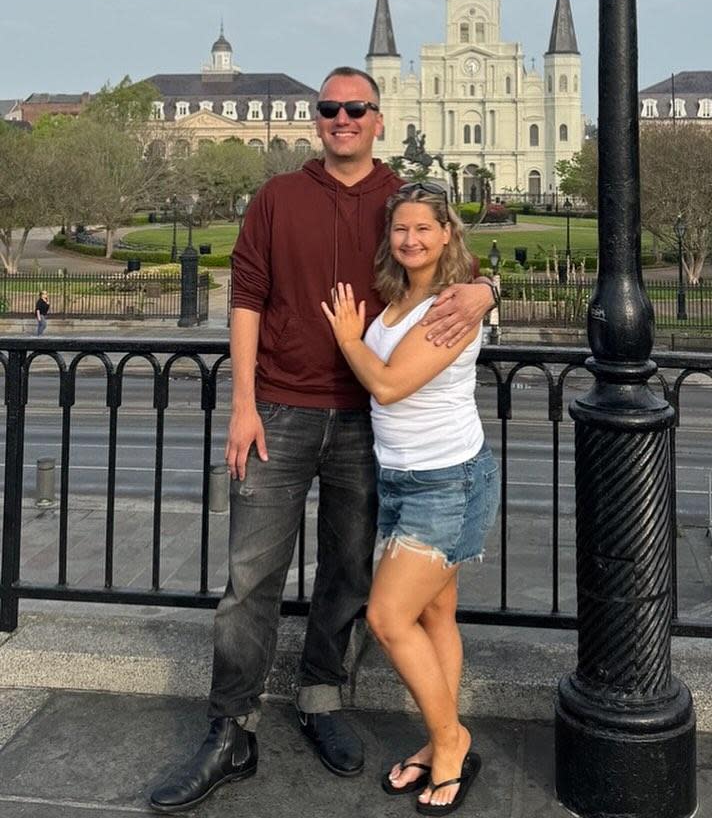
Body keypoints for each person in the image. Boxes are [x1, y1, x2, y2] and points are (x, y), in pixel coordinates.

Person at [148, 67, 495, 814]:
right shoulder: (279, 197)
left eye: (356, 108)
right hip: (278, 410)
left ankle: (320, 697)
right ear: (319, 120)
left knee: (348, 573)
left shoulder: (401, 195)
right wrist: (242, 405)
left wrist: (487, 287)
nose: (342, 118)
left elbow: (453, 258)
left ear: (377, 118)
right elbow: (246, 299)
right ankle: (230, 729)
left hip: (367, 423)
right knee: (250, 579)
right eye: (330, 108)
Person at [321, 183, 500, 816]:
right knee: (434, 617)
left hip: (445, 481)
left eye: (425, 228)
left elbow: (391, 385)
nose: (412, 239)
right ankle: (438, 737)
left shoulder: (450, 305)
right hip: (402, 477)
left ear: (448, 233)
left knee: (388, 617)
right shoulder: (402, 299)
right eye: (400, 229)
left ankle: (452, 741)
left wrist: (348, 338)